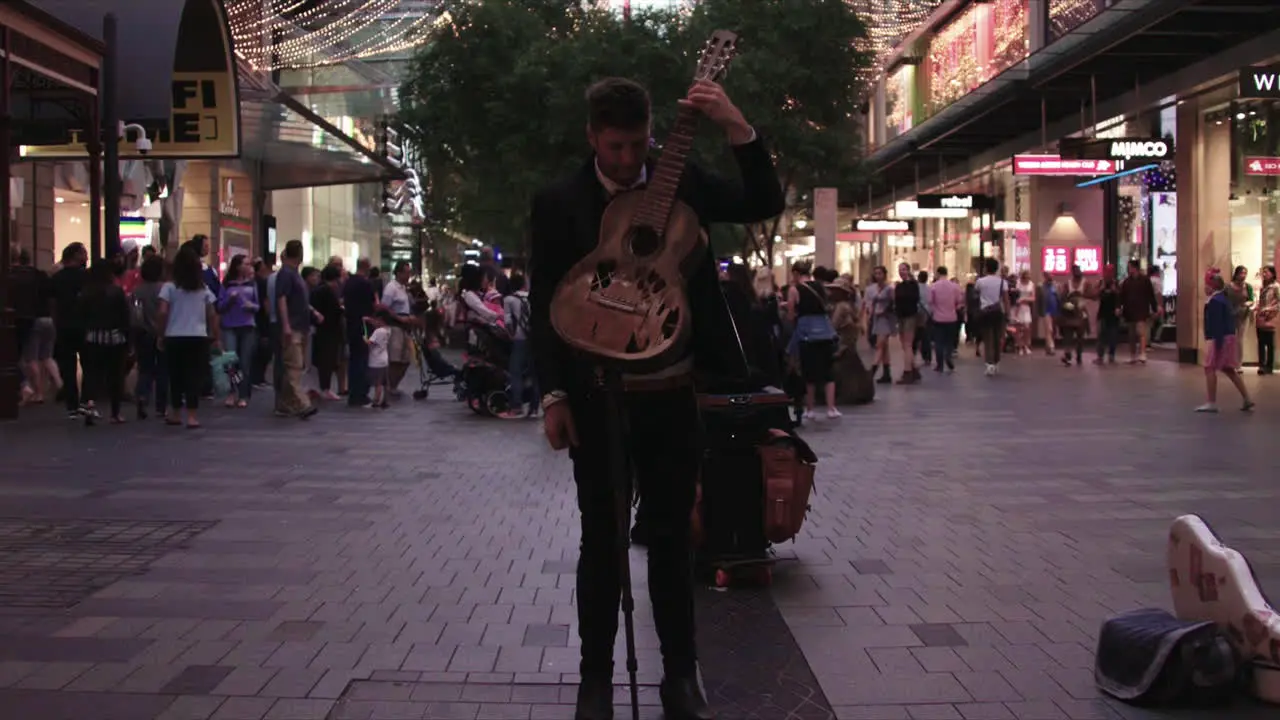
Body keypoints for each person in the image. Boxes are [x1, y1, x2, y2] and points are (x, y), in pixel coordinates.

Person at [528, 76, 784, 720]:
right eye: (614, 147)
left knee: (673, 542)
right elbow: (543, 303)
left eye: (637, 145)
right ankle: (594, 683)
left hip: (671, 394)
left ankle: (681, 677)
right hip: (595, 396)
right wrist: (552, 393)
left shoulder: (682, 180)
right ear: (592, 137)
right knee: (602, 543)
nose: (626, 159)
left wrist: (735, 123)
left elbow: (762, 198)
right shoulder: (559, 202)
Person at [157, 247, 220, 429]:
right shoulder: (203, 289)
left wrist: (160, 334)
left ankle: (175, 413)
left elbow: (162, 312)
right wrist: (215, 336)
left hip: (174, 336)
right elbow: (212, 314)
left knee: (175, 376)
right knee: (194, 376)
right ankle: (192, 416)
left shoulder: (169, 287)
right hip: (198, 337)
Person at [1198, 270, 1255, 413]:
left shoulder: (1215, 301)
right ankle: (1247, 398)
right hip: (1229, 337)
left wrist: (1216, 343)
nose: (1204, 287)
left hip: (1221, 338)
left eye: (1206, 285)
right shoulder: (1223, 299)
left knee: (1209, 367)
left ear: (1211, 286)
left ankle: (1211, 402)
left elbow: (1217, 324)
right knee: (1228, 369)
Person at [365, 316, 391, 409]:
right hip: (384, 359)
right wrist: (369, 320)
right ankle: (385, 400)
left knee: (378, 383)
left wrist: (364, 339)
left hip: (375, 360)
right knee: (385, 382)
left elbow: (370, 342)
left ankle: (376, 401)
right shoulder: (387, 330)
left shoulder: (378, 331)